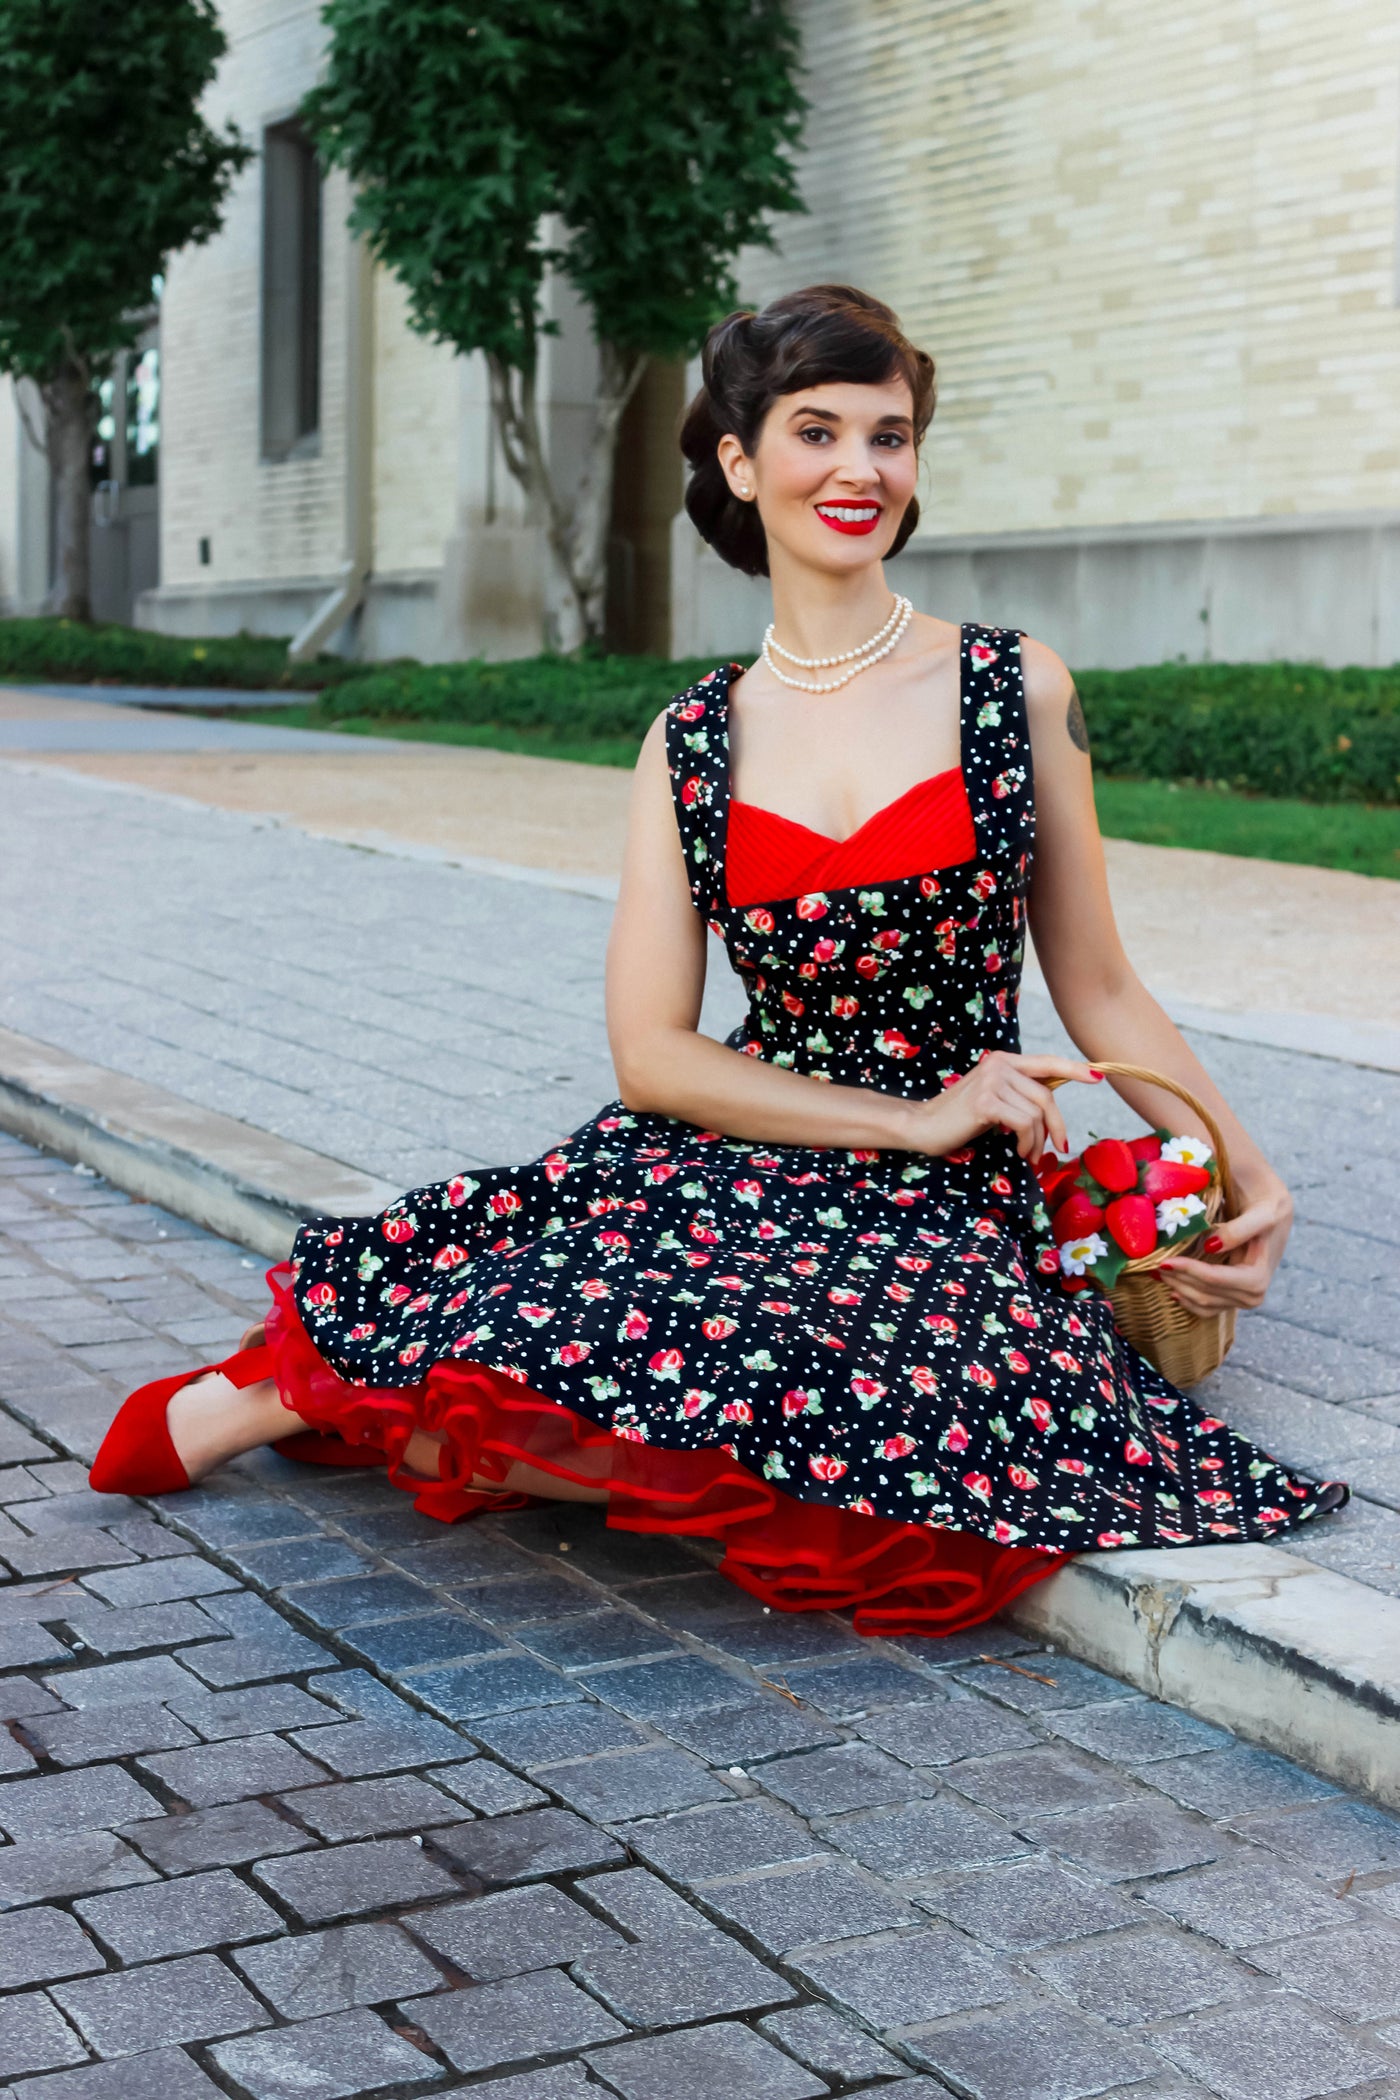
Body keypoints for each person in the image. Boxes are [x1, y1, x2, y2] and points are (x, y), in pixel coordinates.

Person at [89, 283, 1346, 1636]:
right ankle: (274, 1400)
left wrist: (1247, 1168)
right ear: (743, 462)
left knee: (881, 1364)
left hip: (945, 1186)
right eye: (820, 431)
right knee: (584, 1286)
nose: (862, 469)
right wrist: (906, 1121)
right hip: (754, 1130)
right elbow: (656, 1056)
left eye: (891, 434)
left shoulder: (1010, 684)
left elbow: (1097, 981)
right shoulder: (688, 737)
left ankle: (486, 1424)